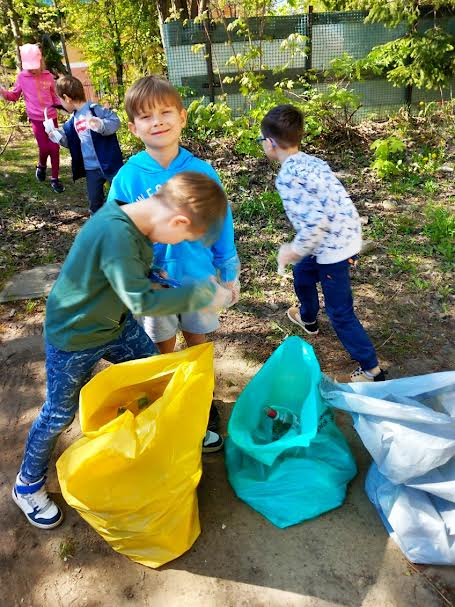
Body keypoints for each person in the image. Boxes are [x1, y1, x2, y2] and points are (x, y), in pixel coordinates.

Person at [12, 171, 232, 529]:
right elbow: (140, 300)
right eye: (184, 238)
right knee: (58, 415)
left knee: (156, 377)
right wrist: (202, 295)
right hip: (75, 337)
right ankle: (27, 484)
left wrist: (165, 279)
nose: (177, 244)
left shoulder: (138, 219)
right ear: (177, 221)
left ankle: (167, 438)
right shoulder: (116, 233)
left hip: (116, 325)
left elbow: (134, 273)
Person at [107, 76, 240, 433]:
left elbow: (221, 221)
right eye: (146, 116)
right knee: (161, 347)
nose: (157, 122)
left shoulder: (201, 171)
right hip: (154, 288)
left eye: (165, 112)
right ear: (133, 128)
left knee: (197, 342)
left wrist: (228, 269)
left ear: (182, 117)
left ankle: (201, 400)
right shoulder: (127, 178)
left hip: (198, 278)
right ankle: (169, 400)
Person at [259, 104, 385, 383]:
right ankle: (308, 318)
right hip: (339, 238)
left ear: (270, 143)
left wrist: (292, 250)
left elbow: (315, 224)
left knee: (340, 313)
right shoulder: (313, 161)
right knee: (303, 274)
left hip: (334, 250)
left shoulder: (288, 177)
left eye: (261, 140)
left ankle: (371, 370)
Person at [47, 75, 123, 214]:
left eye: (60, 100)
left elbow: (115, 121)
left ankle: (125, 218)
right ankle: (97, 222)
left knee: (121, 195)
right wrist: (57, 137)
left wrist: (101, 125)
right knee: (94, 201)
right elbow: (72, 142)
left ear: (67, 98)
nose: (61, 104)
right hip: (90, 168)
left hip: (110, 163)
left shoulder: (94, 109)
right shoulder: (72, 121)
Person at [0, 43, 64, 193]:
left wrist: (63, 106)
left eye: (34, 65)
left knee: (54, 148)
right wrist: (3, 92)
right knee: (44, 148)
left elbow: (54, 97)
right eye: (29, 66)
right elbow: (14, 96)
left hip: (51, 118)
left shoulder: (48, 76)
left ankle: (55, 179)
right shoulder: (22, 77)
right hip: (36, 120)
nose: (32, 69)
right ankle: (41, 166)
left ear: (40, 61)